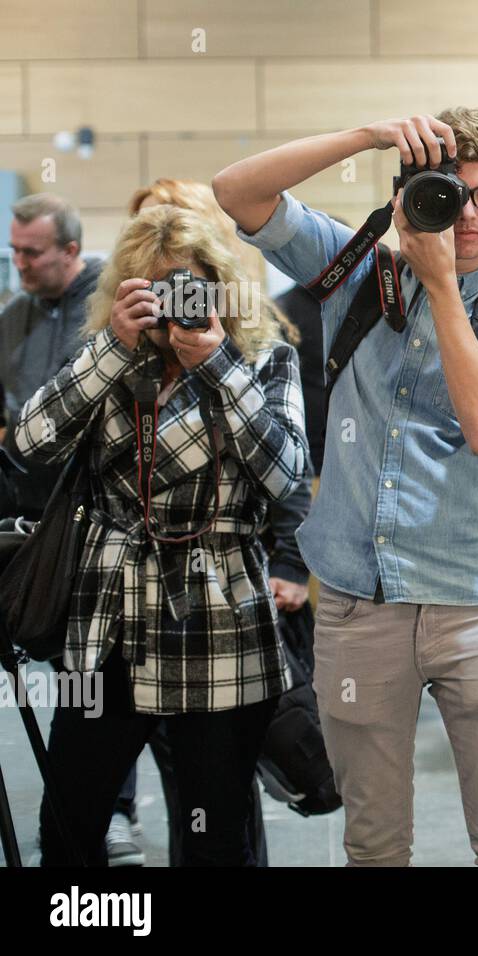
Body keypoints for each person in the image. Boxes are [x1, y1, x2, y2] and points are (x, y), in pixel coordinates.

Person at [214, 107, 478, 867]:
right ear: (408, 192)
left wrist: (440, 285)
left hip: (475, 602)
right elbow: (235, 191)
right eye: (449, 190)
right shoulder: (355, 271)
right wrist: (365, 136)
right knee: (372, 843)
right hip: (357, 602)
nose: (466, 213)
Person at [21, 203, 308, 866]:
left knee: (213, 839)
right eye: (153, 286)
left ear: (218, 283)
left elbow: (285, 472)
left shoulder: (263, 359)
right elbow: (33, 443)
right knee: (68, 829)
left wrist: (216, 365)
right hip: (108, 624)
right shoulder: (109, 357)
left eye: (186, 283)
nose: (172, 300)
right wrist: (113, 349)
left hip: (219, 620)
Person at [1, 194, 104, 518]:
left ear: (69, 251)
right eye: (15, 249)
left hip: (90, 498)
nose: (19, 262)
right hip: (23, 497)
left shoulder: (108, 304)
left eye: (31, 252)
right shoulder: (13, 314)